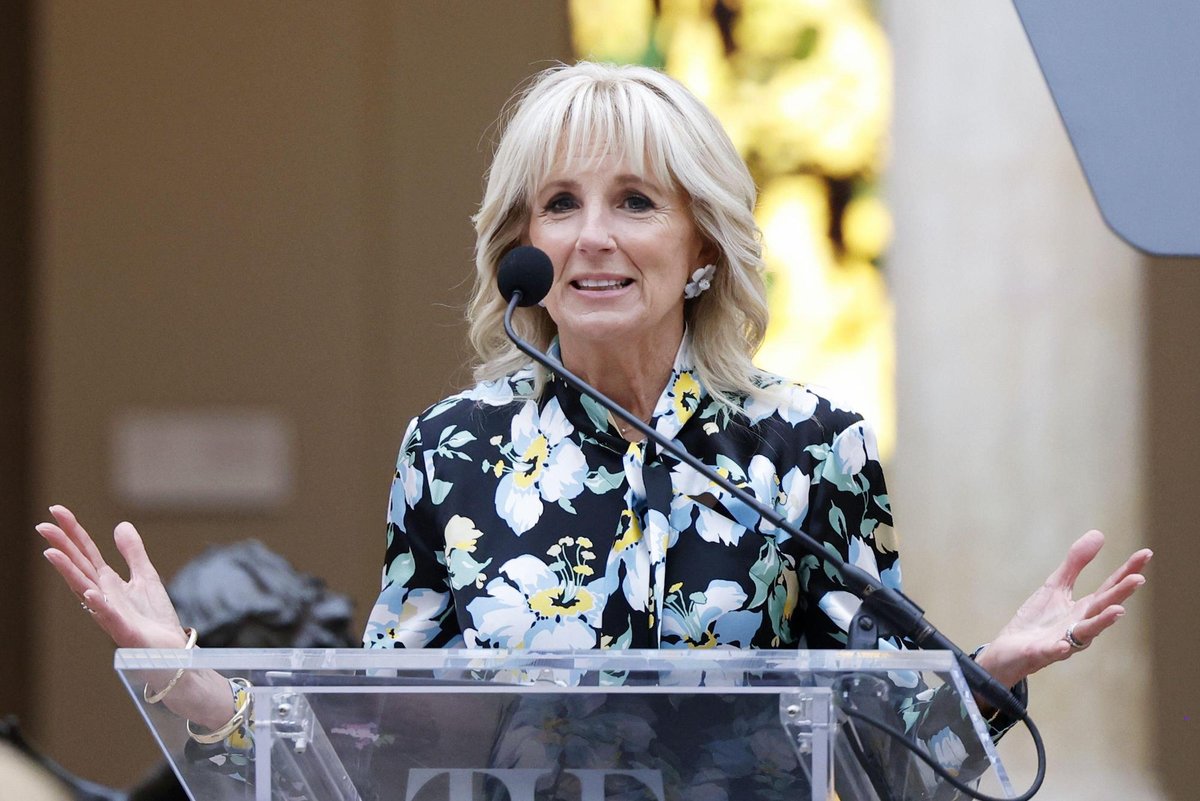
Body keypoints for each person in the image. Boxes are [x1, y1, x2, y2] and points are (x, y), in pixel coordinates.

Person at [37, 61, 1150, 776]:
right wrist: (191, 680)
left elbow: (883, 752)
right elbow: (373, 735)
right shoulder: (453, 450)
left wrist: (992, 672)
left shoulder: (814, 448)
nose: (592, 238)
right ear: (520, 247)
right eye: (559, 205)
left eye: (635, 201)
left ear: (702, 242)